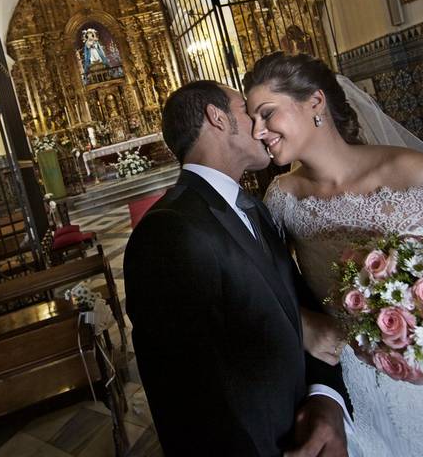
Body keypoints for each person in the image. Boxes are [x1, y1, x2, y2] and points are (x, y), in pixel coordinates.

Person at [243, 52, 423, 457]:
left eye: (266, 114)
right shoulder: (283, 197)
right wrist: (306, 323)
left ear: (315, 102)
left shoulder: (410, 171)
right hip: (355, 386)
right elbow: (274, 287)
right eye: (252, 121)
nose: (258, 131)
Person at [124, 80, 350, 456]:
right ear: (217, 118)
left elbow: (300, 312)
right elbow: (186, 399)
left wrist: (325, 399)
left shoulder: (252, 205)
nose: (262, 127)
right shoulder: (167, 231)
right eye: (247, 110)